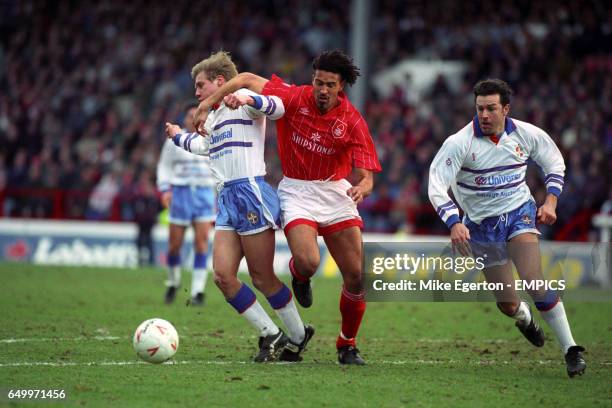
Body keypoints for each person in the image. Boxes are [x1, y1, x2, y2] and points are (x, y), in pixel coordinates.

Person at [194, 50, 381, 365]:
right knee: (308, 262)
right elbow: (246, 79)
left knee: (355, 276)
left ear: (341, 88)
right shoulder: (295, 98)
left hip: (336, 192)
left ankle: (347, 344)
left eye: (329, 85)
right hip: (296, 190)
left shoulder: (352, 121)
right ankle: (300, 276)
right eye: (318, 82)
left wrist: (361, 187)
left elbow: (366, 177)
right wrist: (205, 105)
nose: (322, 90)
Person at [428, 78, 586, 377]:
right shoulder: (459, 143)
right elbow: (436, 186)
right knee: (508, 303)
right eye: (479, 109)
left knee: (533, 280)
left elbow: (554, 162)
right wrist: (454, 222)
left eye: (491, 109)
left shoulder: (525, 134)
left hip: (519, 214)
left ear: (505, 109)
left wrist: (550, 201)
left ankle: (571, 350)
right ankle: (524, 318)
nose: (484, 115)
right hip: (481, 227)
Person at [167, 51, 313, 362]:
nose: (196, 92)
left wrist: (249, 101)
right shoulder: (215, 116)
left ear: (220, 81)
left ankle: (298, 336)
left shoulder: (243, 96)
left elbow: (278, 108)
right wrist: (178, 137)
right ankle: (270, 334)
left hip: (250, 192)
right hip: (225, 199)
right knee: (222, 276)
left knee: (261, 277)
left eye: (200, 85)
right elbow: (203, 146)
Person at [157, 104, 215, 306]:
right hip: (180, 194)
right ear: (185, 118)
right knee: (174, 246)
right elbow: (164, 166)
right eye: (190, 115)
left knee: (201, 244)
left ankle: (198, 292)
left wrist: (218, 196)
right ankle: (173, 282)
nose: (194, 118)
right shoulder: (175, 137)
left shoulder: (211, 136)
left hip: (204, 194)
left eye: (197, 114)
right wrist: (165, 189)